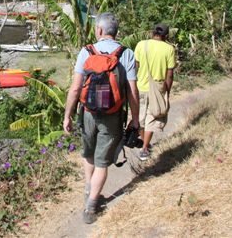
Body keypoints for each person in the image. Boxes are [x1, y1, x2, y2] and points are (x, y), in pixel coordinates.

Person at [63, 12, 139, 224]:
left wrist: (67, 116)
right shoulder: (126, 53)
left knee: (88, 155)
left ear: (99, 30)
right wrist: (135, 119)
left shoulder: (86, 51)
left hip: (88, 112)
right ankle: (91, 207)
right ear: (116, 32)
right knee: (102, 162)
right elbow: (133, 91)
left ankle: (89, 191)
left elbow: (76, 88)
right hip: (113, 115)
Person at [134, 23, 176, 161]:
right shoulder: (169, 49)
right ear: (166, 36)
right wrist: (167, 92)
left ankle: (144, 143)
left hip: (140, 86)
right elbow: (169, 74)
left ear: (153, 32)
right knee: (152, 117)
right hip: (158, 88)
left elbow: (136, 66)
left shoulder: (141, 45)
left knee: (140, 119)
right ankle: (145, 148)